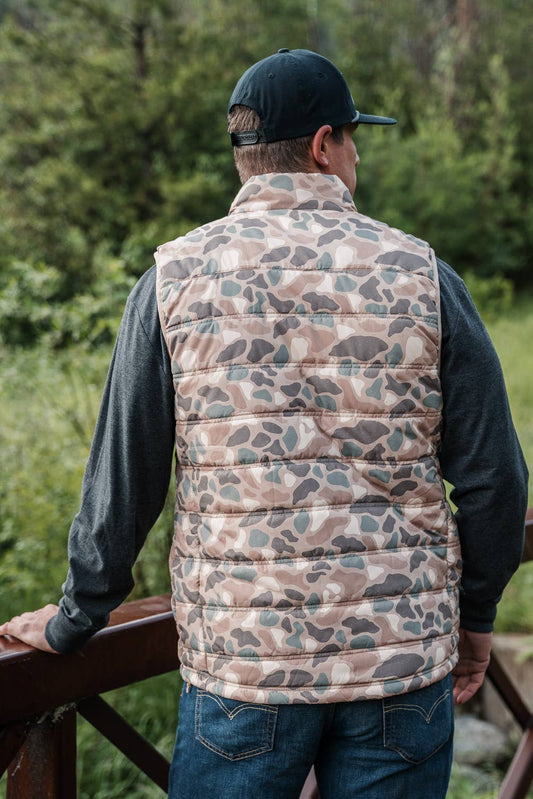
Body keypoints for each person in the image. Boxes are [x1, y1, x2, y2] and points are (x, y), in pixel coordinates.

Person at [0, 49, 528, 798]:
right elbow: (494, 479)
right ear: (323, 145)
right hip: (400, 666)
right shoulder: (424, 276)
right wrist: (476, 614)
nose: (356, 155)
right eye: (353, 137)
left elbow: (124, 484)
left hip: (244, 671)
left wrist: (73, 619)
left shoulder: (170, 281)